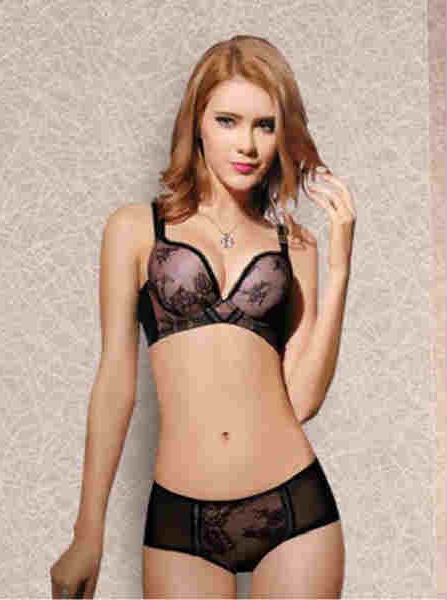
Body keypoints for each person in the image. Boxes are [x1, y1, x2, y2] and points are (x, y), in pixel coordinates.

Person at [50, 34, 355, 599]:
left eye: (265, 125)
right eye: (228, 121)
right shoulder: (134, 230)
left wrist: (339, 268)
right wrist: (87, 531)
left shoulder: (295, 246)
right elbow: (115, 382)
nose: (248, 144)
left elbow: (303, 400)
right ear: (197, 123)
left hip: (294, 505)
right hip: (180, 519)